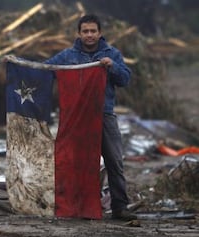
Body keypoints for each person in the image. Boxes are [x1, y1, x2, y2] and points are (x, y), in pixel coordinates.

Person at [44, 14, 137, 221]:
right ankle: (78, 206)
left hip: (104, 116)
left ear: (100, 33)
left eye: (93, 31)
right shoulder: (67, 56)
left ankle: (120, 207)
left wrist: (111, 66)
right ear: (79, 33)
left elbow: (125, 79)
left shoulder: (111, 53)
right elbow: (44, 70)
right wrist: (17, 64)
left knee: (114, 162)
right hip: (77, 119)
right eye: (85, 31)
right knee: (76, 162)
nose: (89, 35)